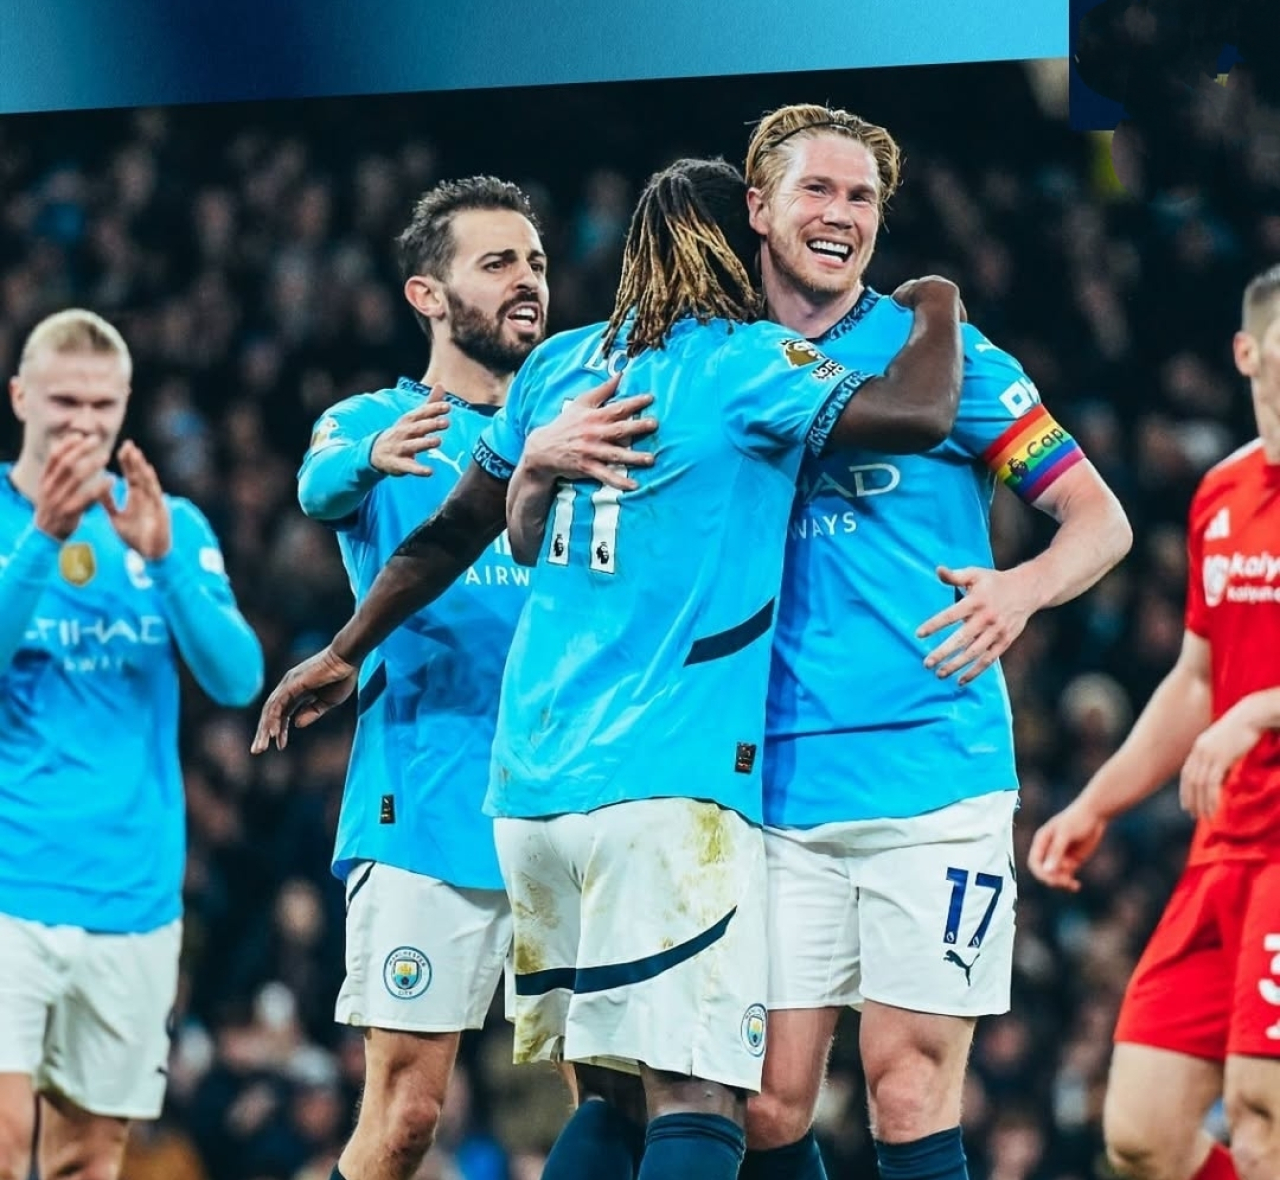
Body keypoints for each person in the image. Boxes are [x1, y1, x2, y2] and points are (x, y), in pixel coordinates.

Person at [253, 155, 965, 1180]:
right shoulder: (745, 362)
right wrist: (935, 304)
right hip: (663, 787)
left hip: (535, 794)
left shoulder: (561, 367)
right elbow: (921, 413)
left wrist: (340, 649)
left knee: (616, 1094)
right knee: (699, 1094)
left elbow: (452, 534)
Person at [727, 104, 1132, 1180]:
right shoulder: (720, 362)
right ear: (757, 207)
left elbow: (1099, 519)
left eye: (861, 197)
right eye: (817, 190)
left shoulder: (945, 357)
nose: (841, 214)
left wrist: (1022, 591)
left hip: (934, 777)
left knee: (906, 1088)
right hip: (769, 784)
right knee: (765, 1104)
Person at [293, 176, 559, 1180]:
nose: (526, 279)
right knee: (407, 1115)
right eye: (496, 263)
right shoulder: (374, 421)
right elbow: (319, 485)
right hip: (426, 797)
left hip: (568, 797)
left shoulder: (574, 420)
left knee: (605, 1095)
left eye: (534, 261)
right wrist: (370, 454)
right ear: (428, 295)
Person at [1029, 264, 1280, 1180]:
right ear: (1248, 353)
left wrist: (1261, 710)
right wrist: (1096, 803)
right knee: (1140, 1136)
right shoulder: (1222, 494)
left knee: (1261, 1113)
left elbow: (1234, 701)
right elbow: (1195, 679)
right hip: (1225, 846)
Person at [0, 308, 263, 1180]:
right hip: (11, 884)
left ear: (125, 405)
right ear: (21, 397)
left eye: (102, 405)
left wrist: (168, 561)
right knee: (4, 1135)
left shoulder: (169, 522)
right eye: (64, 401)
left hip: (133, 895)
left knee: (89, 1159)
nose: (83, 423)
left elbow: (238, 678)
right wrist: (43, 539)